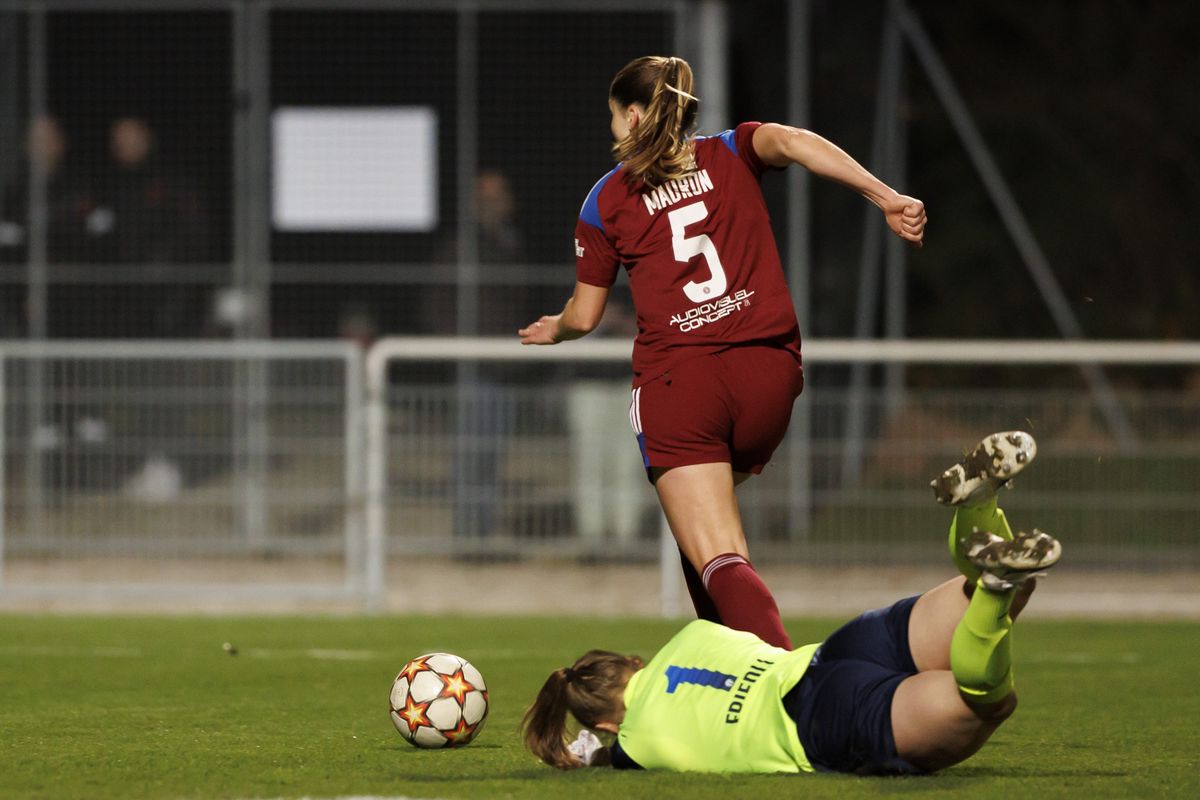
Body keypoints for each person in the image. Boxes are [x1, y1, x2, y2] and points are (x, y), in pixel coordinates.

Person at [518, 55, 927, 648]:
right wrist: (884, 196)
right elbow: (794, 141)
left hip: (682, 382)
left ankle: (790, 695)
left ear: (634, 115)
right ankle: (734, 676)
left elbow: (585, 316)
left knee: (717, 551)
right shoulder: (732, 152)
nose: (611, 129)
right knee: (706, 538)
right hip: (770, 373)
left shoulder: (607, 200)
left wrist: (552, 329)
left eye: (613, 116)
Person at [522, 431, 1060, 775]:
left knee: (987, 701)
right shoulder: (691, 637)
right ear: (635, 662)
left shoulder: (638, 745)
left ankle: (994, 587)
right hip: (836, 650)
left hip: (824, 722)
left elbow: (615, 755)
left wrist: (591, 748)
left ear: (609, 725)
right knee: (1006, 590)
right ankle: (978, 513)